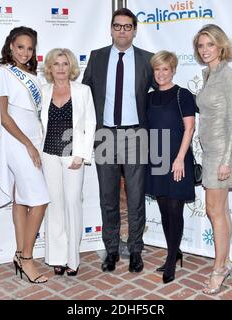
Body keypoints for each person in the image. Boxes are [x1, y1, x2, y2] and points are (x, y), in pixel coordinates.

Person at [82, 8, 154, 273]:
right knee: (108, 198)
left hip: (136, 135)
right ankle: (111, 249)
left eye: (127, 26)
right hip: (105, 135)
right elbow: (85, 95)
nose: (122, 30)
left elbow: (161, 95)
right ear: (111, 29)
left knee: (135, 199)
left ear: (134, 30)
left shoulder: (148, 60)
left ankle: (135, 250)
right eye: (117, 26)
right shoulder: (97, 57)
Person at [0, 26, 49, 283]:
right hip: (16, 141)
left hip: (35, 139)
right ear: (11, 46)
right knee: (40, 199)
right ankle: (27, 257)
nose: (25, 52)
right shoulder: (4, 72)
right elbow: (4, 117)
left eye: (30, 48)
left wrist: (37, 142)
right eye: (20, 46)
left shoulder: (32, 75)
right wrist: (28, 145)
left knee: (22, 200)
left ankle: (19, 255)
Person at [193, 24, 232, 294]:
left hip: (222, 152)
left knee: (215, 211)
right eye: (201, 46)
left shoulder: (228, 76)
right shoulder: (209, 75)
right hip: (210, 150)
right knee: (221, 211)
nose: (205, 50)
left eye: (210, 44)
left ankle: (219, 269)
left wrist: (226, 160)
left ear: (221, 45)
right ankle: (227, 262)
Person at [41, 48, 96, 276]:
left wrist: (82, 155)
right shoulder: (43, 91)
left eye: (65, 63)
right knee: (54, 206)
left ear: (71, 66)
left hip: (73, 155)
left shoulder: (83, 91)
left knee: (72, 204)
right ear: (50, 68)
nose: (61, 68)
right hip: (48, 155)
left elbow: (90, 124)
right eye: (56, 64)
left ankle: (73, 259)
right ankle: (57, 257)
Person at [145, 51, 196, 284]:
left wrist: (179, 158)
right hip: (156, 158)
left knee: (175, 210)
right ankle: (174, 252)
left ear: (173, 70)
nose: (161, 73)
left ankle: (171, 261)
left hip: (177, 158)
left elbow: (189, 128)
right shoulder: (149, 97)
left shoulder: (182, 95)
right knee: (165, 210)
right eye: (157, 69)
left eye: (165, 69)